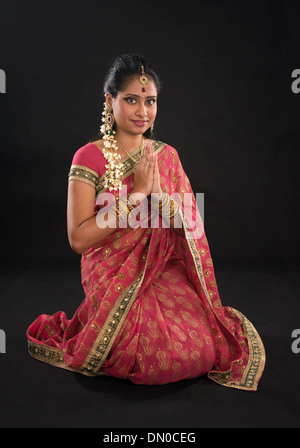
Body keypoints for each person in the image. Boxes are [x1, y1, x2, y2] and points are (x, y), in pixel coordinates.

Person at [26, 53, 265, 390]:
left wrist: (162, 203)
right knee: (149, 357)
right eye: (132, 100)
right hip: (111, 272)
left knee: (202, 347)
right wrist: (137, 196)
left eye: (150, 101)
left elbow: (191, 230)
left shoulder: (166, 156)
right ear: (110, 101)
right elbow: (78, 239)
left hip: (161, 266)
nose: (143, 111)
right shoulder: (88, 157)